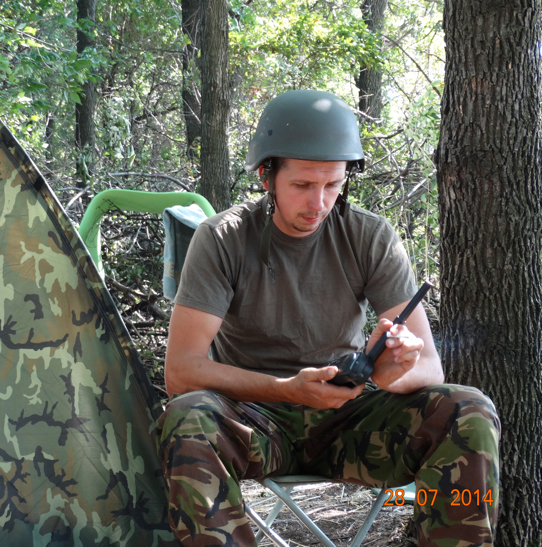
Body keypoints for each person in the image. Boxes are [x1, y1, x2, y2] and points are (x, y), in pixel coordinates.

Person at [156, 90, 500, 547]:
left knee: (468, 409)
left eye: (332, 185)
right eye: (302, 185)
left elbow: (430, 367)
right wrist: (286, 389)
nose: (318, 202)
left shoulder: (369, 236)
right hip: (256, 421)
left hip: (349, 421)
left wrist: (394, 373)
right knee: (187, 418)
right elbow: (181, 371)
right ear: (267, 176)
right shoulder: (223, 238)